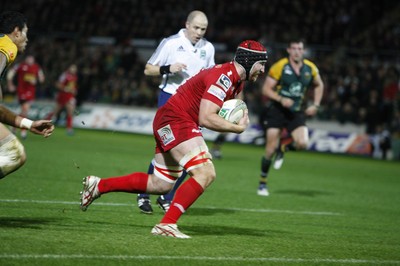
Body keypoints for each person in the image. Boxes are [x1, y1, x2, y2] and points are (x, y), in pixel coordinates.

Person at [80, 40, 268, 238]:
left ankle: (98, 186)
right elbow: (206, 117)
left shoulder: (235, 80)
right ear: (248, 60)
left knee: (160, 184)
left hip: (170, 119)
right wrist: (236, 128)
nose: (263, 70)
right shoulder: (224, 77)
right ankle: (166, 224)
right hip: (177, 120)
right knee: (205, 173)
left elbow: (226, 108)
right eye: (261, 64)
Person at [137, 10, 215, 214]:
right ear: (187, 24)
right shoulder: (171, 43)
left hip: (193, 106)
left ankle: (166, 197)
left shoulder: (208, 48)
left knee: (189, 153)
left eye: (203, 29)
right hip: (170, 100)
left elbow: (210, 76)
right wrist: (168, 68)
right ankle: (143, 194)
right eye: (196, 28)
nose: (199, 32)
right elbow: (148, 69)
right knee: (165, 149)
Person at [257, 38, 324, 196]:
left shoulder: (310, 68)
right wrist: (281, 99)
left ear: (303, 51)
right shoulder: (280, 66)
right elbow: (266, 89)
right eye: (293, 48)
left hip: (296, 111)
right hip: (277, 110)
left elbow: (319, 84)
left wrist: (316, 104)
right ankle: (262, 183)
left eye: (299, 49)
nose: (296, 51)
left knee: (303, 143)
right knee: (269, 149)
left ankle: (284, 147)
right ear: (288, 50)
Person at [0, 11, 54, 179]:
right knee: (14, 154)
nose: (27, 39)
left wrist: (29, 124)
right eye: (25, 33)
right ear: (16, 31)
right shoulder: (7, 45)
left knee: (17, 155)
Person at [7, 55, 45, 139]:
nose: (30, 60)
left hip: (31, 92)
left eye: (31, 59)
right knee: (25, 110)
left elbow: (42, 79)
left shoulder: (36, 67)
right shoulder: (21, 66)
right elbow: (10, 73)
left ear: (34, 60)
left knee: (24, 110)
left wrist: (36, 81)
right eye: (28, 58)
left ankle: (14, 125)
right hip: (22, 91)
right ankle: (23, 131)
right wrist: (10, 84)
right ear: (26, 59)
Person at [47, 64, 78, 135]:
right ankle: (44, 123)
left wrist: (74, 90)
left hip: (69, 96)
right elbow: (58, 84)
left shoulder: (75, 77)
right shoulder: (64, 75)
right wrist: (66, 88)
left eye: (74, 68)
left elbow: (72, 87)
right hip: (63, 96)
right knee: (55, 111)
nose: (73, 69)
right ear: (69, 68)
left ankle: (69, 129)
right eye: (72, 68)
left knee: (70, 111)